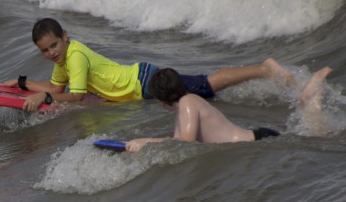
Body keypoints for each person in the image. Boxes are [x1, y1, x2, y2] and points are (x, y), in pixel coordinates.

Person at [0, 18, 295, 112]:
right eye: (45, 50)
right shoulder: (65, 57)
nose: (51, 53)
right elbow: (57, 87)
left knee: (206, 85)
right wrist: (25, 83)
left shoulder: (74, 56)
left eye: (54, 45)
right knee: (203, 96)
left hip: (145, 82)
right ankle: (262, 75)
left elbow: (73, 97)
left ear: (65, 37)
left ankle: (264, 70)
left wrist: (47, 97)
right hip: (140, 82)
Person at [124, 66, 333, 152]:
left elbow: (185, 143)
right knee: (309, 136)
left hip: (259, 140)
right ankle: (308, 100)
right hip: (256, 139)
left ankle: (310, 99)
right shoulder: (187, 105)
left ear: (160, 100)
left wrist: (146, 142)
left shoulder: (188, 102)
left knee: (318, 139)